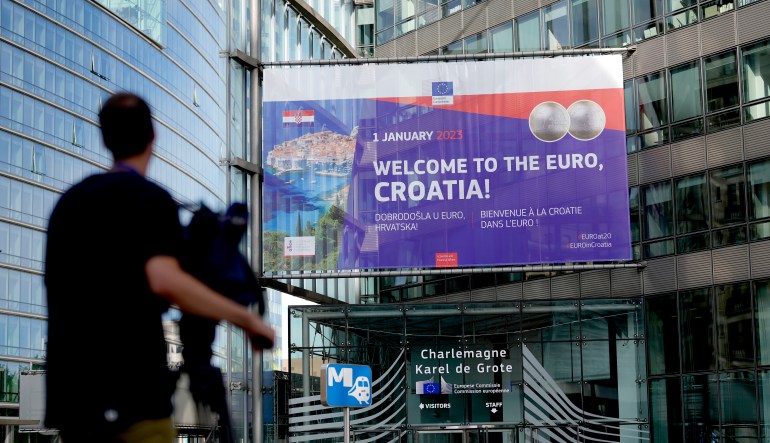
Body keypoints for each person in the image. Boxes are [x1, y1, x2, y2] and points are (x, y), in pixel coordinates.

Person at [44, 92, 275, 442]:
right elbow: (165, 280)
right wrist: (247, 320)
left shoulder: (66, 206)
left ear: (105, 137)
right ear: (153, 135)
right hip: (134, 401)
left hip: (74, 405)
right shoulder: (150, 199)